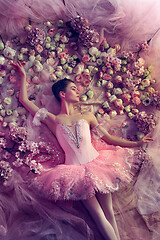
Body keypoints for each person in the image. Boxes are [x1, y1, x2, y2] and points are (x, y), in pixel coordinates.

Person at [12, 60, 153, 240]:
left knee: (109, 212)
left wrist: (137, 143)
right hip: (74, 173)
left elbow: (108, 138)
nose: (78, 90)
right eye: (73, 88)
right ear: (62, 94)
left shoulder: (88, 116)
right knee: (98, 216)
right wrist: (23, 76)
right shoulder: (53, 119)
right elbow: (24, 100)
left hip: (99, 165)